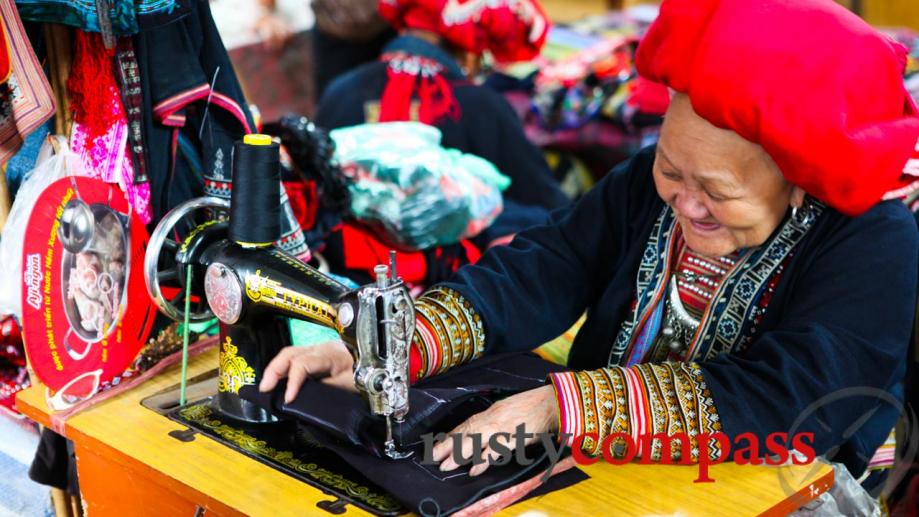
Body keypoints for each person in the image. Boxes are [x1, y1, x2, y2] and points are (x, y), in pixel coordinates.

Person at [262, 0, 919, 496]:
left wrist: (561, 404)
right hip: (607, 472)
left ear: (797, 180)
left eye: (713, 192)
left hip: (777, 492)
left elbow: (794, 399)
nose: (682, 204)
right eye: (671, 169)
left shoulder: (872, 240)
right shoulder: (643, 185)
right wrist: (400, 343)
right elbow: (547, 265)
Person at [313, 0, 568, 213]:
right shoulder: (482, 107)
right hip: (458, 272)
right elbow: (550, 212)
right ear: (470, 51)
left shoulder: (341, 90)